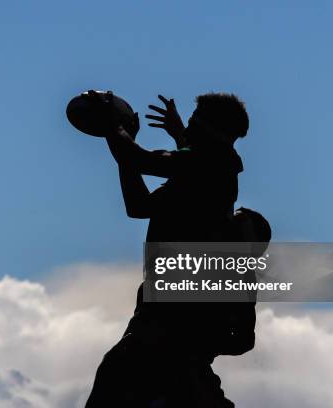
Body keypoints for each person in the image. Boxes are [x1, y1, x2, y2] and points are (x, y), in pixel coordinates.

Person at [85, 91, 267, 407]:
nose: (189, 126)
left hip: (168, 354)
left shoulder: (211, 165)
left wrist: (112, 125)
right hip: (155, 344)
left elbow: (140, 159)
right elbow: (139, 205)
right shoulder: (201, 175)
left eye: (195, 121)